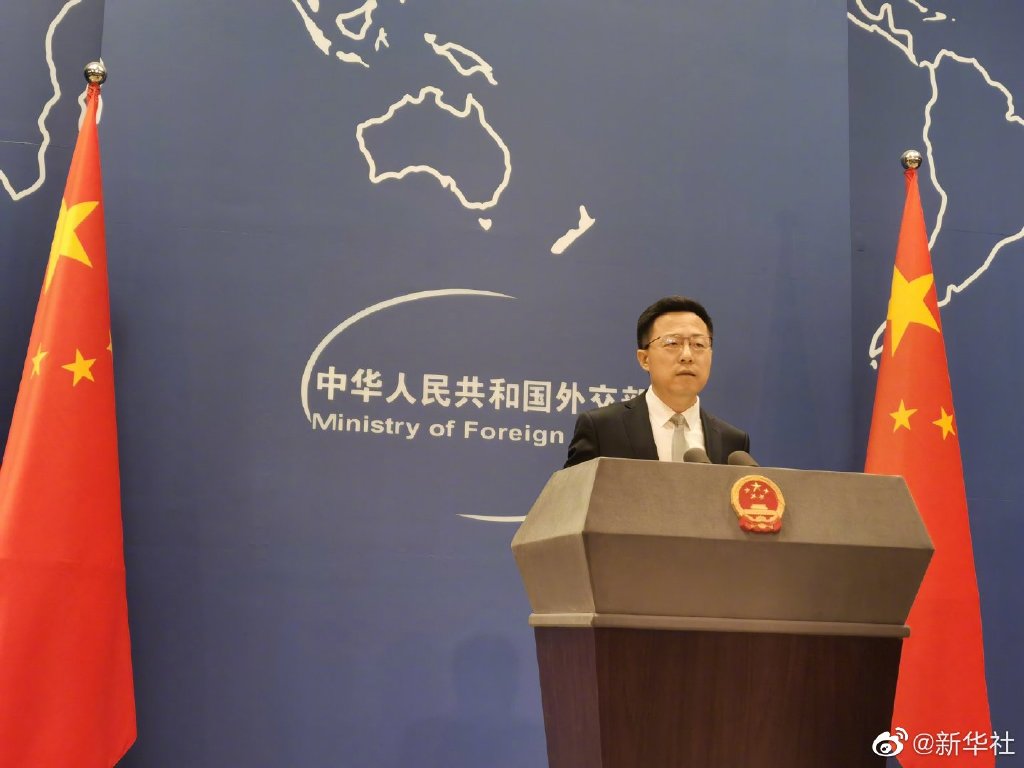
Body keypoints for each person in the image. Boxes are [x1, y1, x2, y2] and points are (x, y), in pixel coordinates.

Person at [564, 296, 749, 467]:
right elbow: (574, 492)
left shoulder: (733, 442)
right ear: (644, 359)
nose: (687, 355)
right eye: (672, 343)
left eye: (699, 344)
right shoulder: (602, 429)